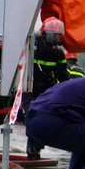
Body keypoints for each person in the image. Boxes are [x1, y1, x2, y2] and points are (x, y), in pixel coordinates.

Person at [26, 17, 71, 160]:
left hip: (46, 90)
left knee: (45, 117)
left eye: (57, 36)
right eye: (52, 35)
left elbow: (63, 75)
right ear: (44, 33)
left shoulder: (58, 53)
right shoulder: (33, 48)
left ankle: (37, 145)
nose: (55, 39)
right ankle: (33, 145)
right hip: (30, 89)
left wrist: (70, 91)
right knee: (32, 114)